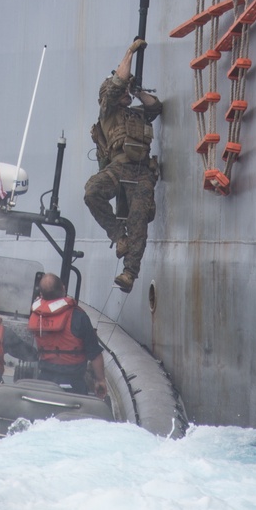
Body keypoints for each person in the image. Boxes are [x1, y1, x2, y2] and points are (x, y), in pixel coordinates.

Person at [84, 38, 162, 293]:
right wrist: (130, 52)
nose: (126, 95)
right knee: (92, 191)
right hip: (117, 169)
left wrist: (138, 91)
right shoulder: (107, 112)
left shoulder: (138, 114)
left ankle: (129, 273)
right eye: (124, 93)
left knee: (138, 220)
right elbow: (117, 82)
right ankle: (119, 237)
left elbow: (155, 107)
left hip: (141, 173)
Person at [28, 273, 108, 398]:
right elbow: (95, 353)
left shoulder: (36, 316)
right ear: (63, 289)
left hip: (44, 381)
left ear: (41, 294)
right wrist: (100, 380)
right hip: (74, 384)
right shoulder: (78, 317)